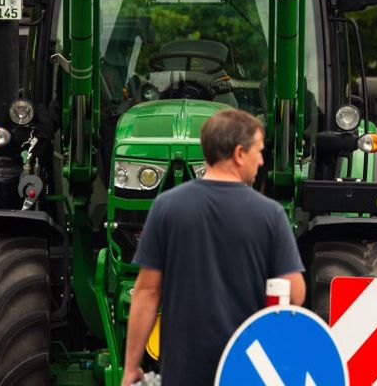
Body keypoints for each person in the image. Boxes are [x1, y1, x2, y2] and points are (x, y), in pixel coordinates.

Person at [121, 108, 306, 386]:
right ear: (239, 154)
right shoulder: (270, 214)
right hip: (247, 368)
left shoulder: (167, 207)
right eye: (258, 150)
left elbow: (147, 291)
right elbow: (295, 293)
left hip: (183, 371)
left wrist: (131, 366)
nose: (261, 160)